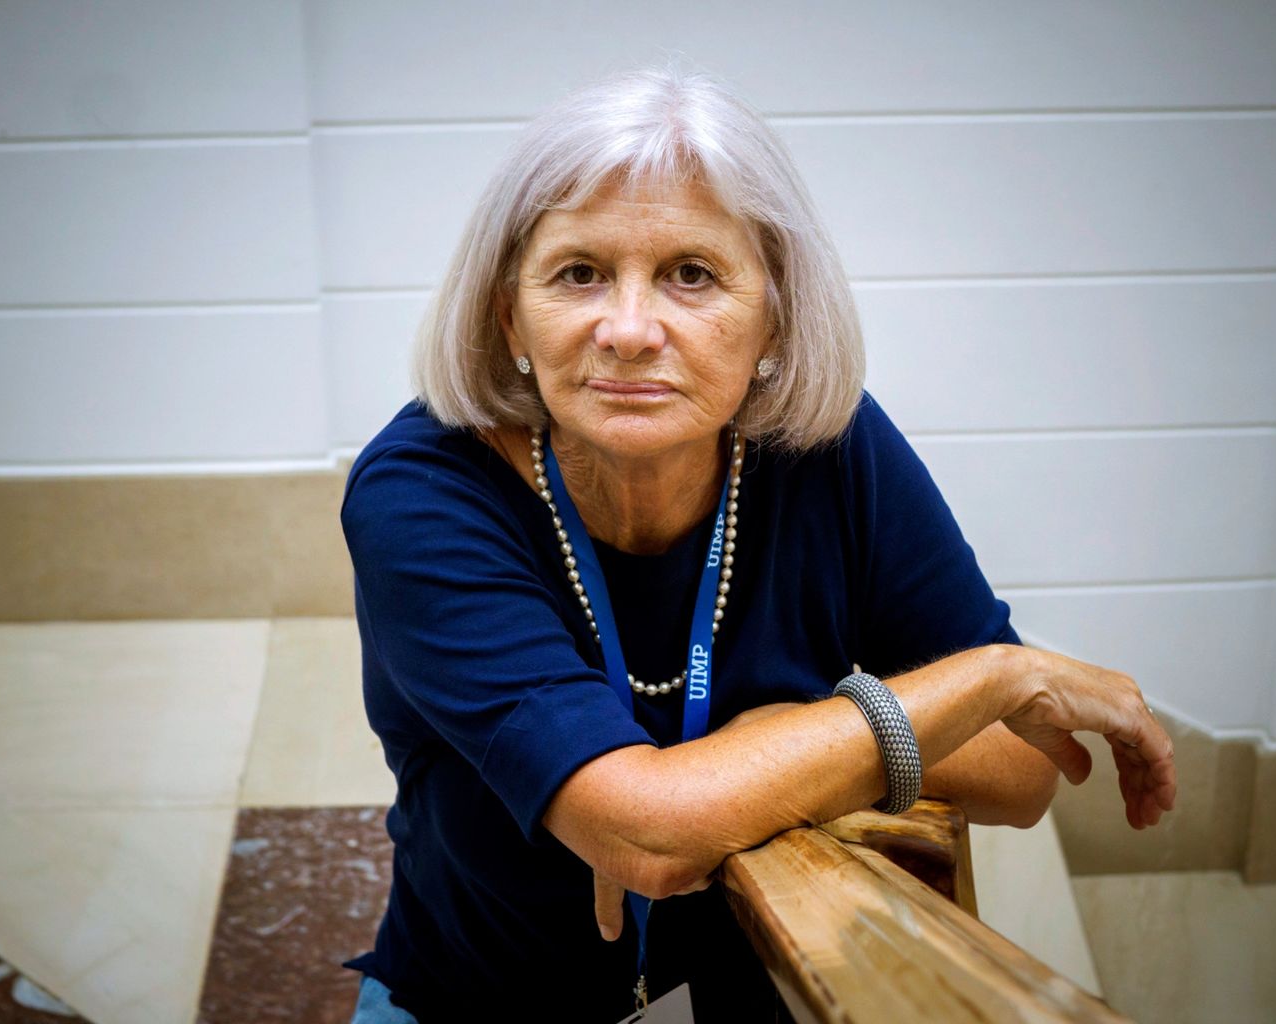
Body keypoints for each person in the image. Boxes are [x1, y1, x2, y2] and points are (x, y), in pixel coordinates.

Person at [340, 63, 1177, 1024]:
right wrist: (986, 680)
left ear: (775, 313)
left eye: (691, 275)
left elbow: (1024, 771)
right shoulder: (423, 491)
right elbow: (648, 838)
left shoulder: (827, 445)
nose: (628, 330)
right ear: (508, 313)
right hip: (479, 1003)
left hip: (763, 989)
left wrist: (774, 732)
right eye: (579, 273)